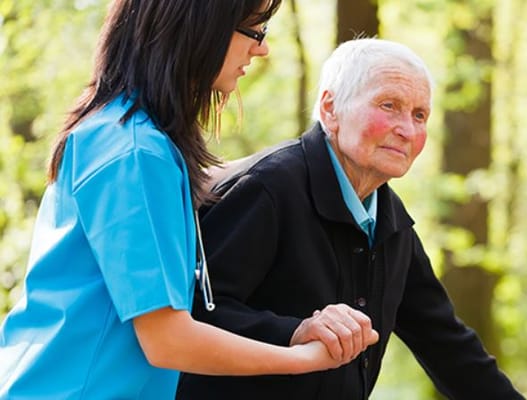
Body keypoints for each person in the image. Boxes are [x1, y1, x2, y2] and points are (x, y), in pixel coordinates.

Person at [0, 1, 377, 398]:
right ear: (197, 26)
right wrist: (304, 359)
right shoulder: (135, 153)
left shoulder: (130, 138)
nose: (261, 48)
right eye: (253, 29)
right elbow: (167, 340)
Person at [176, 38, 526, 399]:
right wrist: (295, 332)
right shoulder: (267, 188)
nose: (407, 129)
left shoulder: (392, 221)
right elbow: (191, 318)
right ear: (330, 109)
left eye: (419, 115)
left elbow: (448, 346)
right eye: (389, 106)